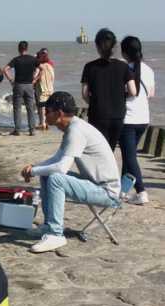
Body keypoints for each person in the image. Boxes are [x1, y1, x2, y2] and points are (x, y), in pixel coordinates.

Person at [21, 92, 121, 253]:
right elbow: (57, 158)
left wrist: (33, 171)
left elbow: (61, 168)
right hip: (94, 185)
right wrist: (34, 167)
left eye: (47, 111)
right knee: (48, 175)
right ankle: (49, 226)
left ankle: (55, 234)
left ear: (59, 113)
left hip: (106, 192)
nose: (45, 114)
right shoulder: (72, 127)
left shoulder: (76, 130)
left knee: (56, 178)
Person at [81, 28, 137, 149]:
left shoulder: (89, 67)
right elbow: (133, 91)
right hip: (118, 114)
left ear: (97, 45)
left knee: (98, 149)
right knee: (110, 149)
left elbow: (84, 94)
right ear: (114, 46)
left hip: (97, 114)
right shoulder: (123, 66)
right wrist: (121, 97)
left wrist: (95, 103)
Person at [119, 36, 155, 205]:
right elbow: (151, 94)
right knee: (128, 157)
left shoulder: (124, 69)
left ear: (124, 52)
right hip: (144, 118)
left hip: (128, 119)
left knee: (130, 157)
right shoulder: (149, 70)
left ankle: (141, 191)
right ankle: (122, 191)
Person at [3, 41, 40, 136]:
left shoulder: (16, 59)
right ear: (27, 48)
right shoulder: (33, 59)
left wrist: (11, 80)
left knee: (17, 108)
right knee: (30, 108)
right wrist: (35, 79)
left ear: (19, 49)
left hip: (18, 85)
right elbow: (41, 69)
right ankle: (32, 130)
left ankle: (17, 130)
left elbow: (5, 69)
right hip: (29, 85)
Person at [35, 49, 55, 130]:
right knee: (48, 107)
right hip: (50, 88)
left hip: (42, 89)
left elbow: (35, 76)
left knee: (42, 107)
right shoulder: (50, 66)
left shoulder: (39, 67)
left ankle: (43, 123)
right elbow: (53, 77)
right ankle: (46, 123)